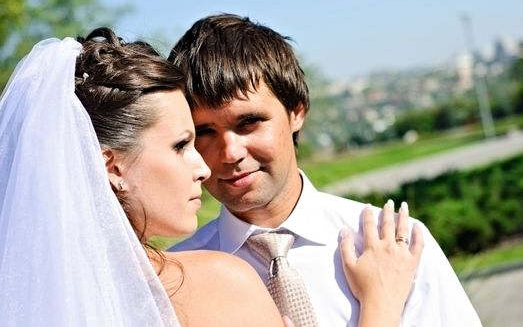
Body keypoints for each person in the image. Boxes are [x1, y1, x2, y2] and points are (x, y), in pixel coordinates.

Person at [0, 27, 422, 327]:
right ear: (112, 168)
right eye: (185, 144)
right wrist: (381, 306)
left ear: (296, 112)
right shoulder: (218, 283)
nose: (205, 165)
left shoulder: (30, 299)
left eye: (249, 123)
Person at [169, 13, 482, 326]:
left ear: (296, 112)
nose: (230, 153)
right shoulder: (175, 280)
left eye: (249, 122)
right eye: (205, 132)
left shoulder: (399, 246)